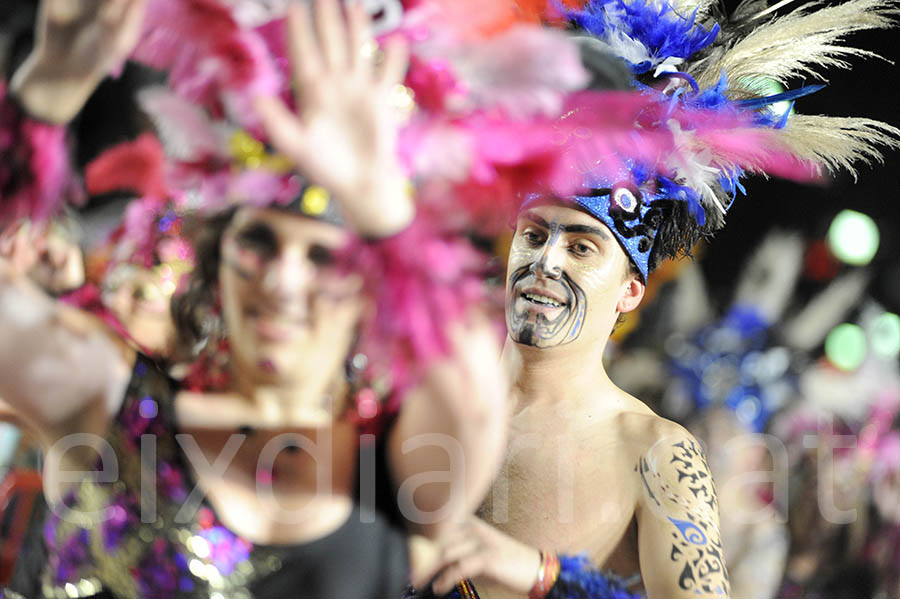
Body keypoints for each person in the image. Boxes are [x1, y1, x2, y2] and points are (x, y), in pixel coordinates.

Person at [0, 0, 509, 597]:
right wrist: (43, 95)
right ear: (218, 263)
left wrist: (385, 209)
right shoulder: (104, 401)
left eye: (323, 256)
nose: (282, 281)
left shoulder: (410, 476)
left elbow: (475, 400)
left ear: (374, 288)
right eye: (258, 244)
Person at [410, 0, 900, 597]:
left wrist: (541, 576)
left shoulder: (657, 454)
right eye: (534, 235)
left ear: (630, 291)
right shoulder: (420, 397)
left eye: (583, 247)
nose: (546, 260)